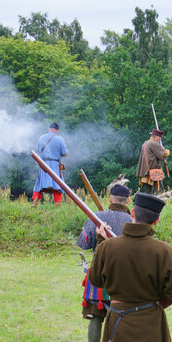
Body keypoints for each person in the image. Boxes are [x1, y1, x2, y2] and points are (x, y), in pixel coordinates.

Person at [89, 192, 172, 341]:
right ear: (157, 220)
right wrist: (153, 305)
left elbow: (95, 280)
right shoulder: (165, 251)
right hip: (151, 323)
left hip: (118, 321)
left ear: (132, 212)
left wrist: (101, 241)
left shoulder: (107, 246)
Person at [76, 184, 132, 342]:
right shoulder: (133, 221)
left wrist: (88, 227)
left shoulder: (96, 217)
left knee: (95, 316)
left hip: (99, 270)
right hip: (125, 274)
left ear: (110, 198)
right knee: (122, 316)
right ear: (127, 200)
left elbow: (84, 244)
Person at [32, 122, 68, 207]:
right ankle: (58, 204)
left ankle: (34, 203)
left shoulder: (41, 137)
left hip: (43, 164)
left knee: (39, 184)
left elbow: (39, 150)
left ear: (49, 129)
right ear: (57, 130)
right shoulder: (60, 139)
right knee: (58, 185)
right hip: (55, 165)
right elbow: (65, 153)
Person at [136, 128, 170, 195]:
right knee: (160, 193)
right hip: (154, 172)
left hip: (145, 172)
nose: (160, 139)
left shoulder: (145, 143)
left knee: (148, 193)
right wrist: (167, 150)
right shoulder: (154, 144)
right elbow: (164, 154)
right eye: (160, 137)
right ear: (156, 136)